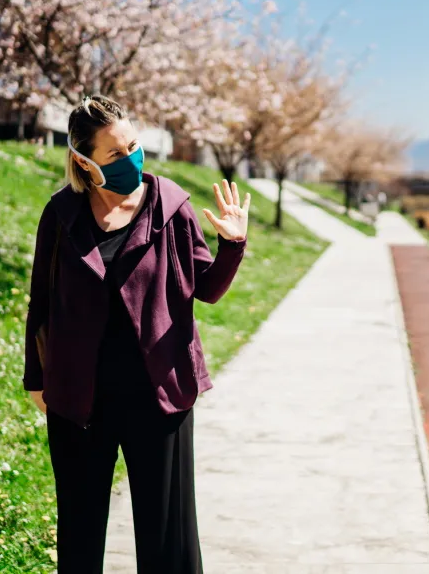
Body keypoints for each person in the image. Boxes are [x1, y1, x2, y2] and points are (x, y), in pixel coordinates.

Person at [23, 95, 251, 574]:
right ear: (84, 162)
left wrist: (232, 243)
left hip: (158, 395)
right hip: (79, 399)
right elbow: (41, 300)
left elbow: (206, 290)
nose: (130, 159)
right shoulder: (61, 214)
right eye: (114, 154)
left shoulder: (171, 206)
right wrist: (35, 379)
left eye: (133, 146)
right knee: (80, 535)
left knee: (169, 541)